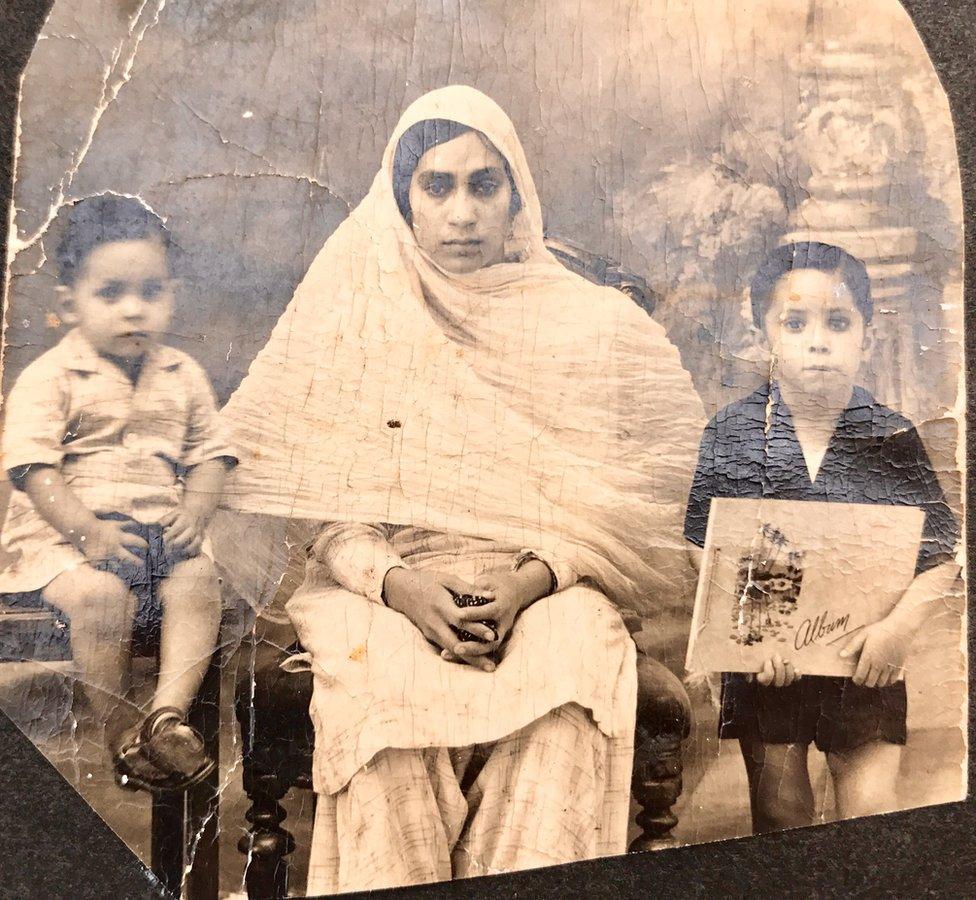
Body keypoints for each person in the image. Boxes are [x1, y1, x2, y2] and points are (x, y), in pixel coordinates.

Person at [220, 86, 705, 892]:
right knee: (385, 696)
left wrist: (523, 584)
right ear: (403, 200)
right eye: (436, 186)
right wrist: (404, 588)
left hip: (550, 577)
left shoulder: (586, 325)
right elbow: (330, 517)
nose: (462, 212)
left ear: (516, 196)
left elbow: (624, 506)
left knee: (569, 686)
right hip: (388, 581)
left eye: (485, 184)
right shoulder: (359, 320)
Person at [684, 241, 960, 833]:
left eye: (837, 322)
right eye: (795, 322)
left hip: (866, 658)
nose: (818, 340)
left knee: (868, 817)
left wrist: (896, 631)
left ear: (865, 335)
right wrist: (748, 639)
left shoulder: (891, 437)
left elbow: (941, 556)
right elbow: (701, 548)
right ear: (764, 336)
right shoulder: (732, 433)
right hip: (769, 663)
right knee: (783, 818)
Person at [0, 194, 237, 792]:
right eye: (110, 294)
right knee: (103, 599)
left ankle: (168, 716)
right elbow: (32, 469)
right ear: (69, 303)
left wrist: (196, 508)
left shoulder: (181, 373)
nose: (133, 310)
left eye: (150, 292)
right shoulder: (52, 376)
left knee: (199, 582)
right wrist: (89, 532)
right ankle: (123, 733)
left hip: (156, 533)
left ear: (172, 294)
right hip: (64, 540)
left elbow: (211, 453)